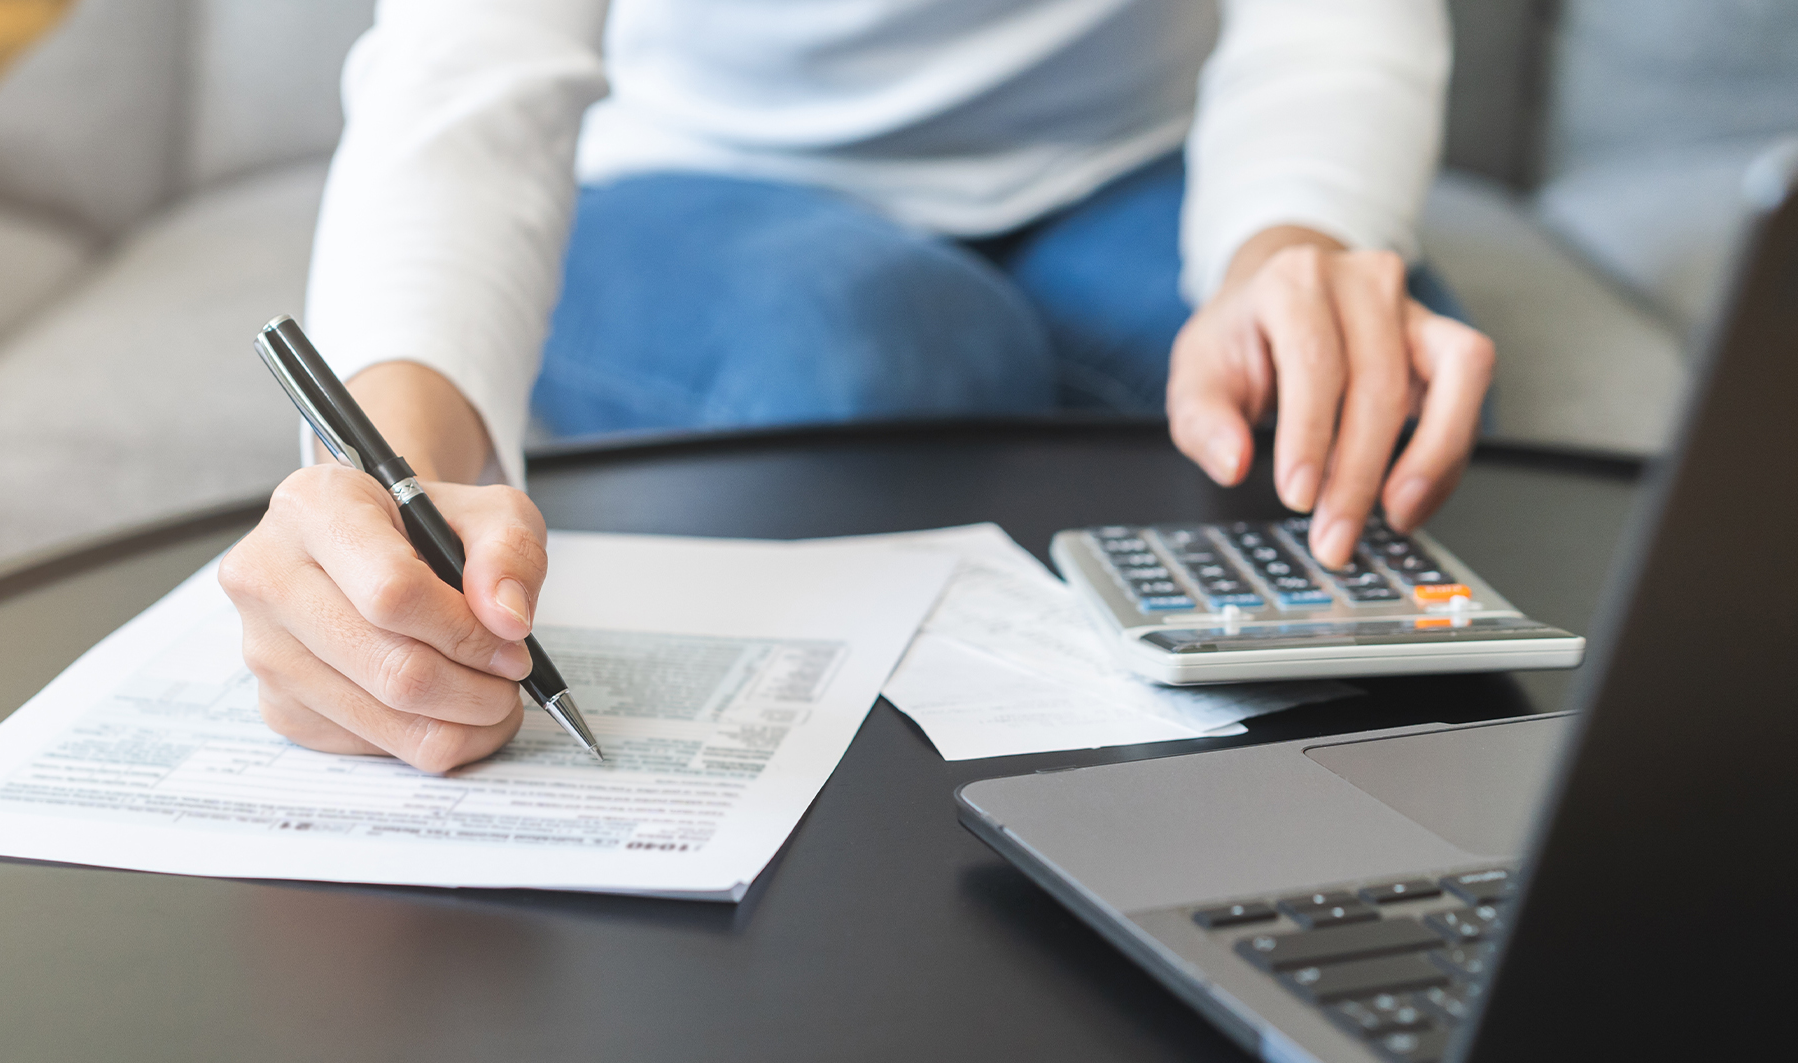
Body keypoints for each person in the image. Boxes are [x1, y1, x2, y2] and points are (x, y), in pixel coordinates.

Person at [220, 0, 1496, 772]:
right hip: (701, 181)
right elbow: (470, 71)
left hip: (1129, 166)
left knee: (1340, 387)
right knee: (881, 355)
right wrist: (386, 478)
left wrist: (1292, 245)